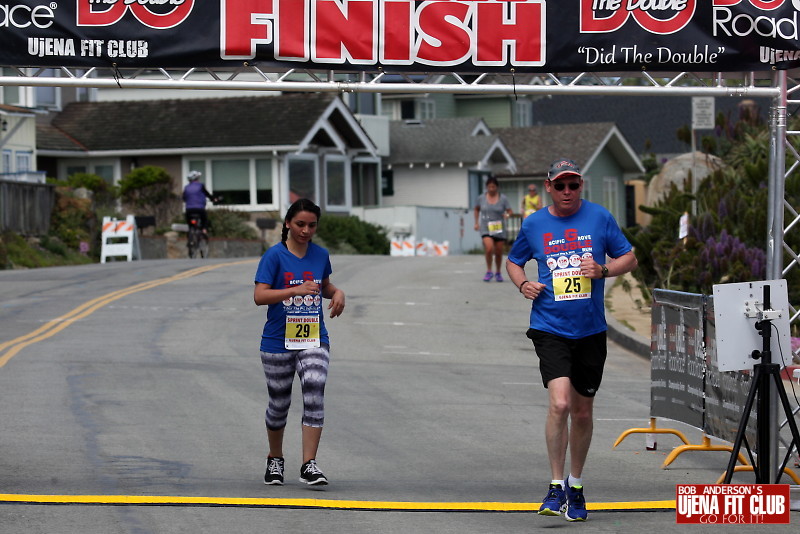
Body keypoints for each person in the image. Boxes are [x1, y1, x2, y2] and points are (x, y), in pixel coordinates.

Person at [505, 159, 637, 522]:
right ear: (548, 187)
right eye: (560, 186)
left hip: (590, 330)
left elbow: (629, 258)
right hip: (550, 327)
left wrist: (604, 269)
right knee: (560, 403)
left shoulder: (599, 217)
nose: (567, 192)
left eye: (573, 185)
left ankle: (575, 486)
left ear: (581, 186)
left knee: (581, 412)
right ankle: (554, 485)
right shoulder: (534, 224)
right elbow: (514, 261)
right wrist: (523, 284)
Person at [253, 199, 346, 486]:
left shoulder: (320, 255)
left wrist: (337, 292)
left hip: (313, 337)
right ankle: (275, 458)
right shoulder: (274, 256)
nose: (306, 230)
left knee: (315, 388)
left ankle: (309, 464)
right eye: (300, 224)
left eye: (312, 225)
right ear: (288, 224)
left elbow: (323, 285)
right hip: (277, 341)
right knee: (279, 405)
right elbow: (259, 296)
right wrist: (293, 290)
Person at [474, 176, 513, 282]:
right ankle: (489, 271)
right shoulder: (481, 198)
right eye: (489, 187)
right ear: (486, 187)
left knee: (499, 251)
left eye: (493, 187)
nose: (491, 189)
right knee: (489, 248)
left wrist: (507, 215)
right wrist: (476, 223)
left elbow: (510, 211)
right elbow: (476, 209)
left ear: (497, 187)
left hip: (499, 228)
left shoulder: (503, 198)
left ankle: (498, 272)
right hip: (486, 227)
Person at [182, 170, 215, 235]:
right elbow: (207, 194)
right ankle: (204, 230)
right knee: (204, 219)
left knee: (189, 221)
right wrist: (213, 199)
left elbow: (184, 198)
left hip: (189, 209)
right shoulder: (201, 186)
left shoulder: (186, 187)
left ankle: (190, 231)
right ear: (197, 179)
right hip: (200, 208)